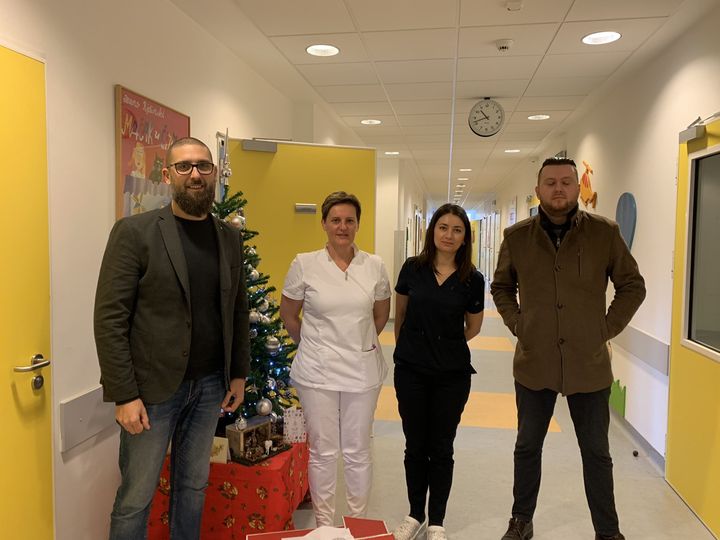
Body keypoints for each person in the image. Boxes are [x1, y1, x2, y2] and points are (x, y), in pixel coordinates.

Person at [94, 136, 250, 540]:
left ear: (213, 173)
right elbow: (110, 318)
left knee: (193, 487)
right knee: (136, 497)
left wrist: (238, 374)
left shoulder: (228, 237)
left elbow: (237, 309)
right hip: (151, 393)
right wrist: (125, 395)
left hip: (210, 386)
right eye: (184, 166)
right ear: (167, 175)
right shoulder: (135, 232)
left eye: (203, 166)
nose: (195, 174)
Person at [491, 157, 646, 540]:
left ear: (578, 188)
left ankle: (607, 531)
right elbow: (501, 287)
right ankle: (521, 521)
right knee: (527, 447)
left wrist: (604, 329)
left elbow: (632, 286)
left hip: (588, 364)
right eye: (550, 182)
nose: (558, 188)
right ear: (538, 190)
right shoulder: (517, 237)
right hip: (535, 362)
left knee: (596, 453)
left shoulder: (604, 233)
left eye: (565, 182)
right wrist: (519, 325)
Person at [279, 191, 391, 527]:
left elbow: (380, 316)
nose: (343, 227)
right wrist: (316, 346)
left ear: (358, 224)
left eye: (349, 221)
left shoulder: (374, 266)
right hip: (317, 373)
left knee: (357, 451)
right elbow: (289, 315)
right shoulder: (304, 264)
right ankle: (324, 526)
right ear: (324, 224)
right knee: (323, 451)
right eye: (336, 220)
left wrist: (356, 343)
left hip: (362, 371)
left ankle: (357, 523)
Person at [392, 204, 485, 540]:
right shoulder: (412, 268)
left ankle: (437, 522)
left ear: (465, 238)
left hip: (451, 375)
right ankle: (415, 514)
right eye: (443, 227)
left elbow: (473, 327)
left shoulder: (472, 279)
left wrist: (443, 344)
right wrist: (413, 348)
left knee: (442, 447)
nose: (449, 235)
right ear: (432, 231)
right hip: (411, 371)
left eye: (457, 230)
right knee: (415, 445)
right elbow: (400, 315)